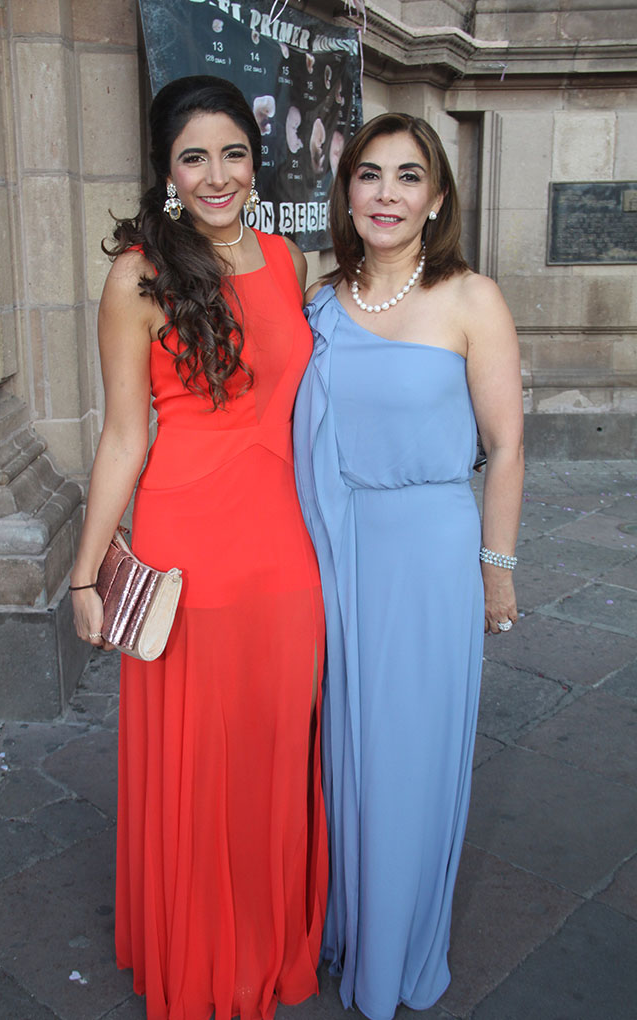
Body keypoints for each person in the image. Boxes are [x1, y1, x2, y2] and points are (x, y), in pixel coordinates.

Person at [70, 75, 327, 1020]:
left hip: (286, 547)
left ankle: (263, 944)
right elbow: (123, 437)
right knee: (202, 763)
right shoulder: (138, 276)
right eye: (193, 157)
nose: (216, 175)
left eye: (233, 154)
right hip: (191, 551)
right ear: (166, 171)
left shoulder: (289, 259)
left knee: (274, 750)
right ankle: (202, 958)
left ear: (257, 162)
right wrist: (85, 574)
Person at [293, 113, 524, 1017]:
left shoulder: (471, 298)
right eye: (369, 175)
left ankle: (393, 956)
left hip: (428, 557)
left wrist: (495, 566)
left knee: (405, 761)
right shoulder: (318, 297)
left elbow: (506, 447)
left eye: (408, 176)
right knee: (340, 752)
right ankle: (351, 929)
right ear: (347, 192)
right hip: (334, 552)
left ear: (436, 199)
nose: (386, 194)